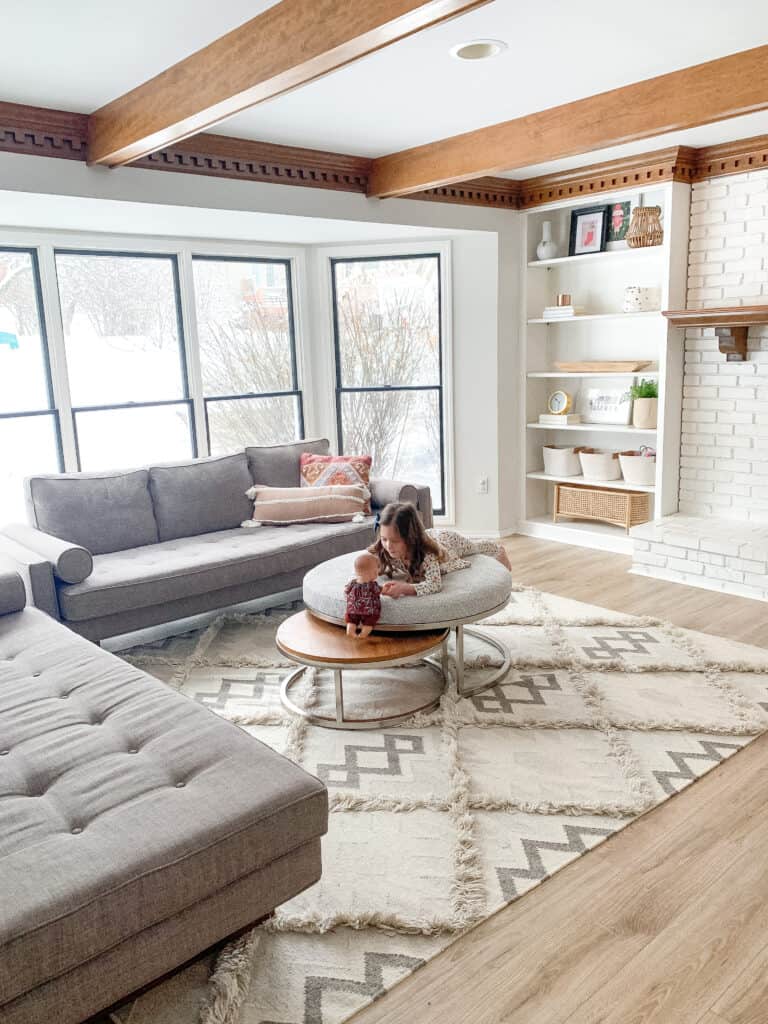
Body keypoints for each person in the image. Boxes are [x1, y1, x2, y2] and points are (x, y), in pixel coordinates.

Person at [368, 501, 511, 598]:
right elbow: (365, 562)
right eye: (384, 539)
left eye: (395, 541)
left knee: (475, 547)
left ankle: (498, 548)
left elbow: (434, 584)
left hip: (448, 541)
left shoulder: (427, 554)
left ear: (411, 538)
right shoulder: (383, 548)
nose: (388, 546)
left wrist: (405, 588)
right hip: (430, 535)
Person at [344, 551, 382, 637]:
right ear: (375, 573)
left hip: (353, 609)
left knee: (351, 621)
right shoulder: (372, 585)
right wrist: (385, 589)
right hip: (369, 611)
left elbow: (346, 591)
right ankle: (362, 634)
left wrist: (350, 600)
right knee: (369, 622)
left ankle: (350, 631)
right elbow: (379, 591)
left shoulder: (352, 583)